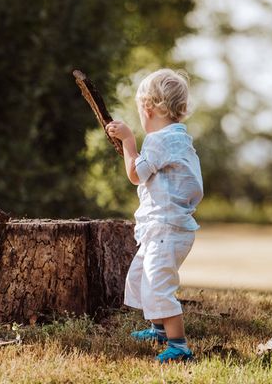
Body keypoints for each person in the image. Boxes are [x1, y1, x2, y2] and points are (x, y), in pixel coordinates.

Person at [106, 69, 203, 363]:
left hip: (166, 227)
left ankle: (179, 346)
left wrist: (128, 142)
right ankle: (158, 329)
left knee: (158, 284)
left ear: (149, 108)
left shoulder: (159, 140)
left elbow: (136, 175)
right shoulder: (177, 137)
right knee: (142, 276)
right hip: (166, 227)